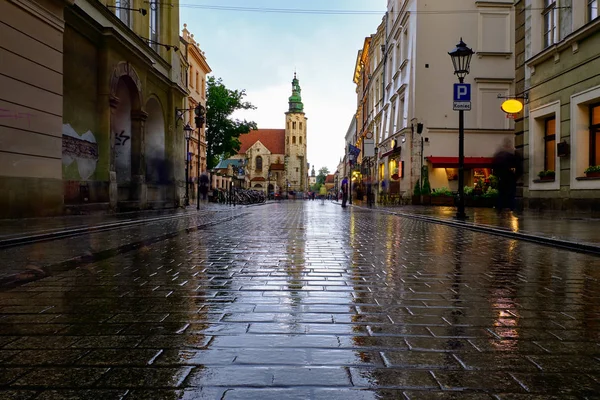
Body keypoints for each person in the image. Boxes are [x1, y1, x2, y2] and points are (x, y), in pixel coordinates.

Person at [492, 138, 523, 212]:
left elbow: (495, 168)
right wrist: (515, 176)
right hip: (508, 180)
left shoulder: (500, 155)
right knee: (510, 196)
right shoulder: (511, 156)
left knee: (504, 196)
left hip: (504, 180)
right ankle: (511, 210)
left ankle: (502, 210)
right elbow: (519, 167)